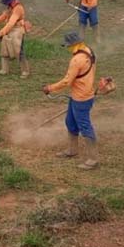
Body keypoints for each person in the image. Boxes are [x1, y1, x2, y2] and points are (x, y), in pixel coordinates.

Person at [42, 31, 99, 170]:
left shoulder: (76, 60)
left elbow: (67, 81)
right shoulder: (88, 51)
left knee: (85, 126)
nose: (67, 48)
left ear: (74, 44)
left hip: (81, 98)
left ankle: (93, 158)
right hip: (81, 93)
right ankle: (72, 150)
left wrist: (50, 88)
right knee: (70, 122)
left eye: (68, 46)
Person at [0, 0, 30, 78]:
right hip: (9, 30)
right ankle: (4, 69)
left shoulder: (18, 8)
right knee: (4, 49)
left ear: (12, 0)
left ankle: (25, 71)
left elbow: (11, 23)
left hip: (18, 30)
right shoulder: (10, 7)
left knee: (19, 51)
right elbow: (4, 16)